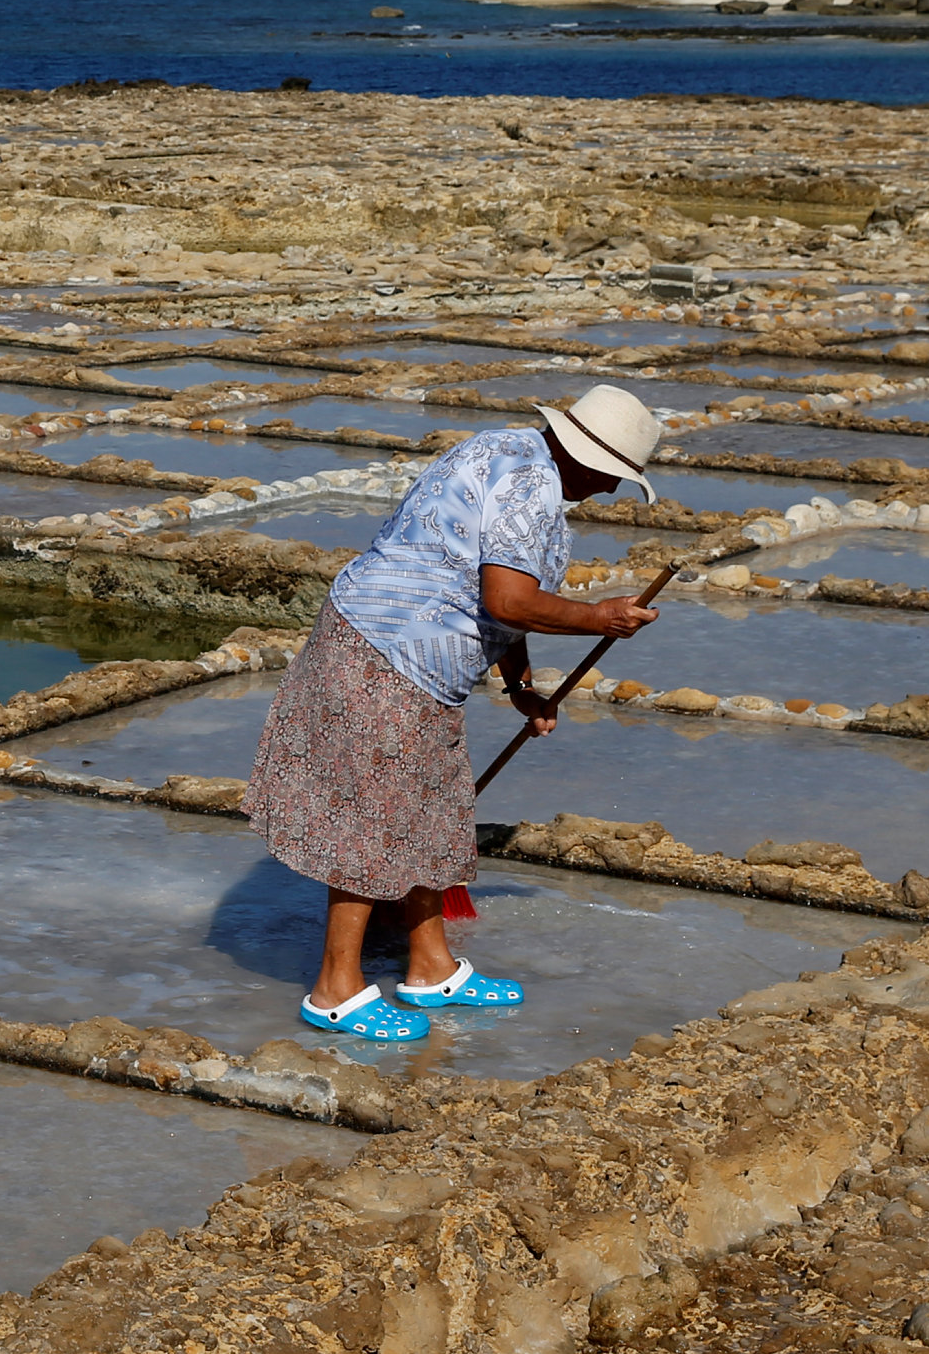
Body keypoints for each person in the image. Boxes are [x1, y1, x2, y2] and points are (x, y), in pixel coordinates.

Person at [243, 384, 667, 1043]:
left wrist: (519, 683)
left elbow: (497, 588)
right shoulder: (531, 487)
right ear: (586, 455)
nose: (612, 491)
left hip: (400, 654)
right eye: (613, 476)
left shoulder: (506, 449)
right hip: (387, 654)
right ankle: (335, 987)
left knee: (429, 810)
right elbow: (508, 599)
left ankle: (431, 965)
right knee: (374, 818)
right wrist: (597, 617)